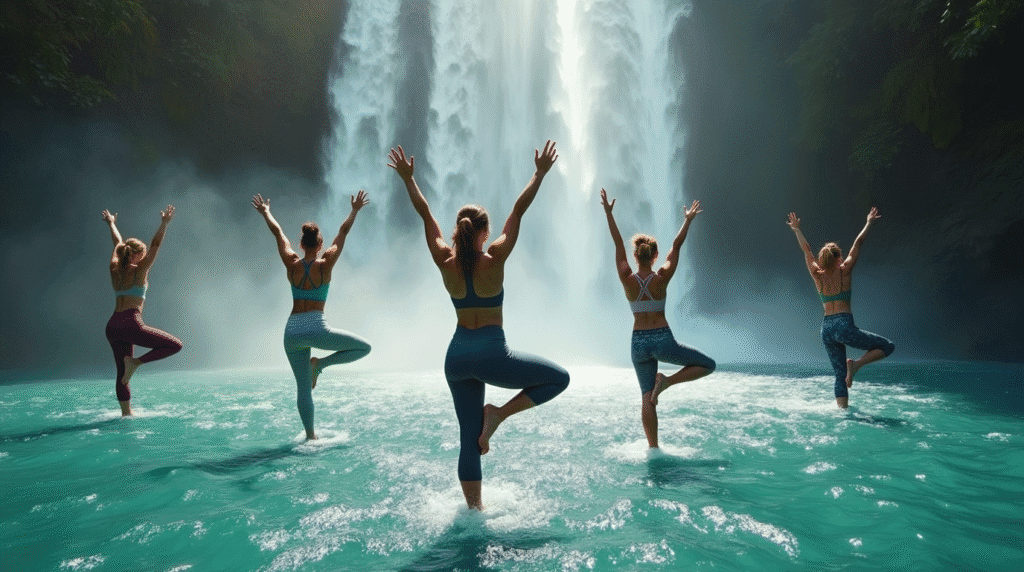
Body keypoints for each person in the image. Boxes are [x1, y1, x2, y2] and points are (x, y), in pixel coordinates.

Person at [387, 142, 570, 510]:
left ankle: (474, 513)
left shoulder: (444, 260)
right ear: (484, 232)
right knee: (558, 379)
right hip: (490, 354)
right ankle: (498, 414)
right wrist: (540, 173)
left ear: (459, 229)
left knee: (467, 437)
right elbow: (519, 209)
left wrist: (409, 179)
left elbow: (425, 216)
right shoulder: (496, 258)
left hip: (456, 358)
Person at [600, 189, 716, 449]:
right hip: (662, 338)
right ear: (654, 257)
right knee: (708, 364)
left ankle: (653, 448)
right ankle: (666, 382)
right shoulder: (662, 278)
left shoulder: (627, 279)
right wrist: (687, 220)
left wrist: (609, 215)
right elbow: (676, 247)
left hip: (638, 342)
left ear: (635, 256)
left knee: (645, 397)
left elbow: (618, 244)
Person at [252, 191, 372, 440]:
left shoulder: (292, 264)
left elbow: (278, 234)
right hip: (317, 329)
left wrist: (266, 212)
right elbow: (343, 233)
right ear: (320, 245)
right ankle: (320, 365)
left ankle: (310, 437)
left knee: (303, 389)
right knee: (364, 348)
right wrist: (354, 210)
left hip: (292, 332)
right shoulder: (326, 264)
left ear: (301, 244)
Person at [787, 208, 895, 408]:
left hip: (826, 328)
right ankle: (856, 365)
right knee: (888, 346)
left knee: (838, 376)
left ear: (822, 258)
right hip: (843, 325)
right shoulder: (844, 271)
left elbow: (806, 249)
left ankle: (843, 414)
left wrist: (796, 230)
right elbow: (858, 243)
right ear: (838, 258)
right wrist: (869, 222)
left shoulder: (816, 274)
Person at [102, 206, 184, 416]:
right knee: (175, 345)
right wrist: (164, 223)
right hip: (131, 323)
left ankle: (126, 414)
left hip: (112, 326)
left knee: (122, 373)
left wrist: (112, 223)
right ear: (137, 255)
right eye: (142, 254)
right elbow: (156, 244)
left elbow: (117, 243)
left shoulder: (113, 268)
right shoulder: (139, 271)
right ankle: (137, 362)